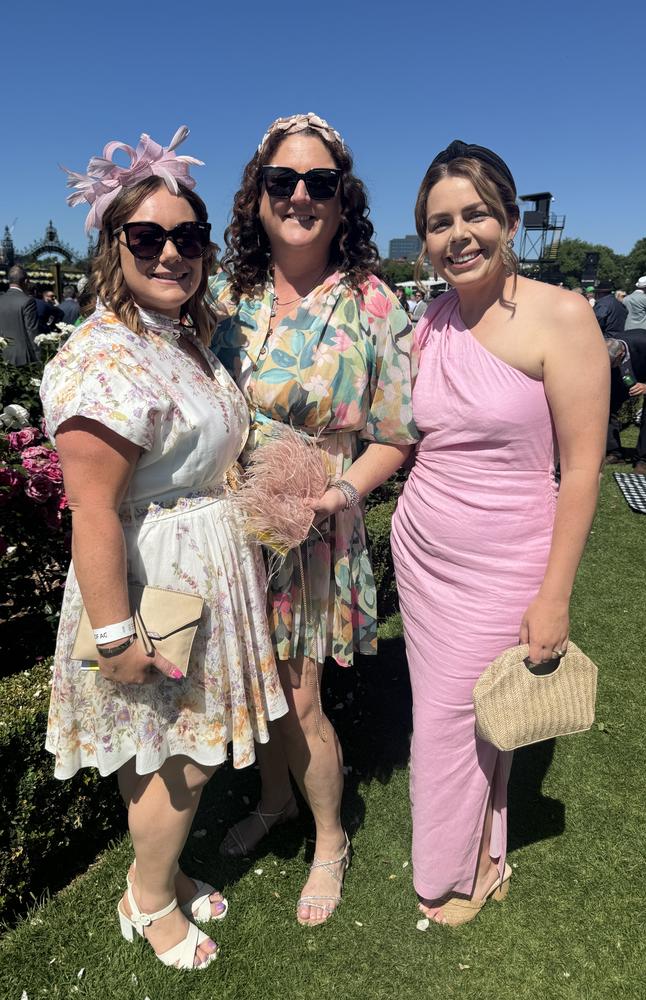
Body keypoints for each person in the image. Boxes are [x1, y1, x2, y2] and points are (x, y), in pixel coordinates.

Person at [40, 126, 287, 970]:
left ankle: (162, 874)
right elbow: (92, 509)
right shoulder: (103, 355)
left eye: (189, 237)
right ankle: (147, 902)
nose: (172, 253)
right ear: (115, 245)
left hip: (202, 571)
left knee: (167, 755)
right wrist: (114, 635)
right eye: (147, 237)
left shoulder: (177, 334)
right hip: (156, 585)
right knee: (180, 761)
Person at [391, 139, 608, 926]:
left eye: (475, 213)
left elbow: (582, 470)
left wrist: (556, 597)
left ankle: (446, 877)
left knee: (455, 719)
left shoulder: (564, 315)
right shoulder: (429, 323)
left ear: (510, 219)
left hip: (507, 552)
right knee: (466, 712)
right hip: (422, 550)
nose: (458, 235)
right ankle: (482, 849)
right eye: (439, 222)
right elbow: (406, 436)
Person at [209, 113, 418, 926]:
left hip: (314, 526)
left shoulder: (373, 302)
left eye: (319, 183)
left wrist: (337, 495)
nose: (300, 196)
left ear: (343, 198)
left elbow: (395, 433)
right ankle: (274, 799)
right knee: (253, 689)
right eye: (282, 181)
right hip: (234, 523)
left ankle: (329, 836)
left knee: (300, 699)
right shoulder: (229, 295)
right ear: (257, 197)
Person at [605, 334, 646, 474]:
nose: (610, 366)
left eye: (612, 362)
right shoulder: (605, 345)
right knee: (608, 405)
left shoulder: (645, 343)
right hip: (624, 375)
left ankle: (643, 459)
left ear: (621, 353)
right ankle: (615, 453)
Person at [0, 264, 40, 364]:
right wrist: (39, 357)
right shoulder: (27, 301)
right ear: (26, 281)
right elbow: (32, 331)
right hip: (23, 357)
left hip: (3, 355)